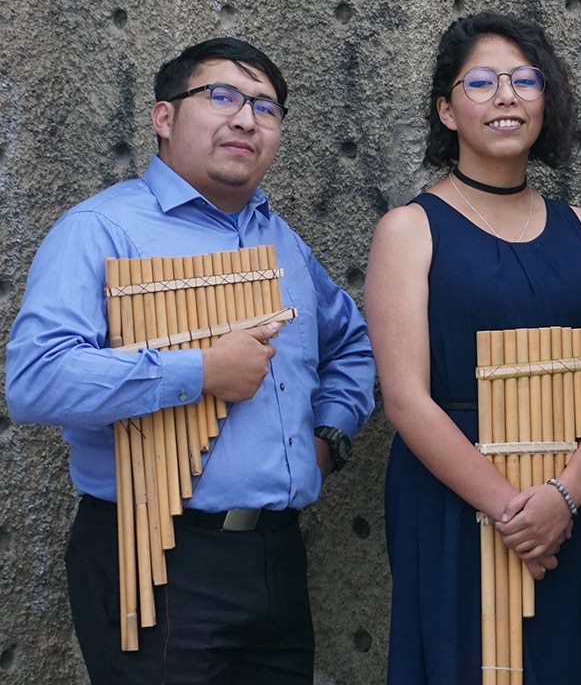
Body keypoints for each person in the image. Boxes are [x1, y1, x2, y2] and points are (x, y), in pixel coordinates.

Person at [5, 37, 375, 682]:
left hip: (276, 555)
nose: (245, 119)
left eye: (266, 106)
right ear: (164, 117)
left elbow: (353, 344)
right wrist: (198, 372)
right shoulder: (100, 230)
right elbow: (35, 381)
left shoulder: (281, 239)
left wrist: (328, 435)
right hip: (154, 556)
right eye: (222, 96)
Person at [365, 13, 581, 685]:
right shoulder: (408, 230)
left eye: (525, 80)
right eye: (480, 83)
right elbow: (405, 399)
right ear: (447, 110)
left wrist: (563, 499)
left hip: (567, 496)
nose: (507, 96)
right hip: (454, 495)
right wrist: (511, 512)